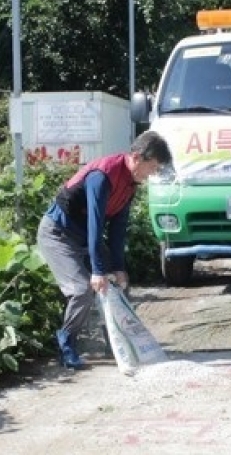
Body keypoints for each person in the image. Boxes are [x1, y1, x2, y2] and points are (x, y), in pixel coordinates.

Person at [37, 131, 173, 369]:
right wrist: (98, 271)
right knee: (82, 290)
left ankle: (115, 338)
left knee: (119, 284)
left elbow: (117, 230)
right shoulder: (103, 175)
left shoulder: (130, 183)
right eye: (153, 167)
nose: (153, 174)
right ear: (137, 157)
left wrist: (118, 268)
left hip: (84, 236)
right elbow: (95, 224)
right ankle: (65, 343)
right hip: (58, 234)